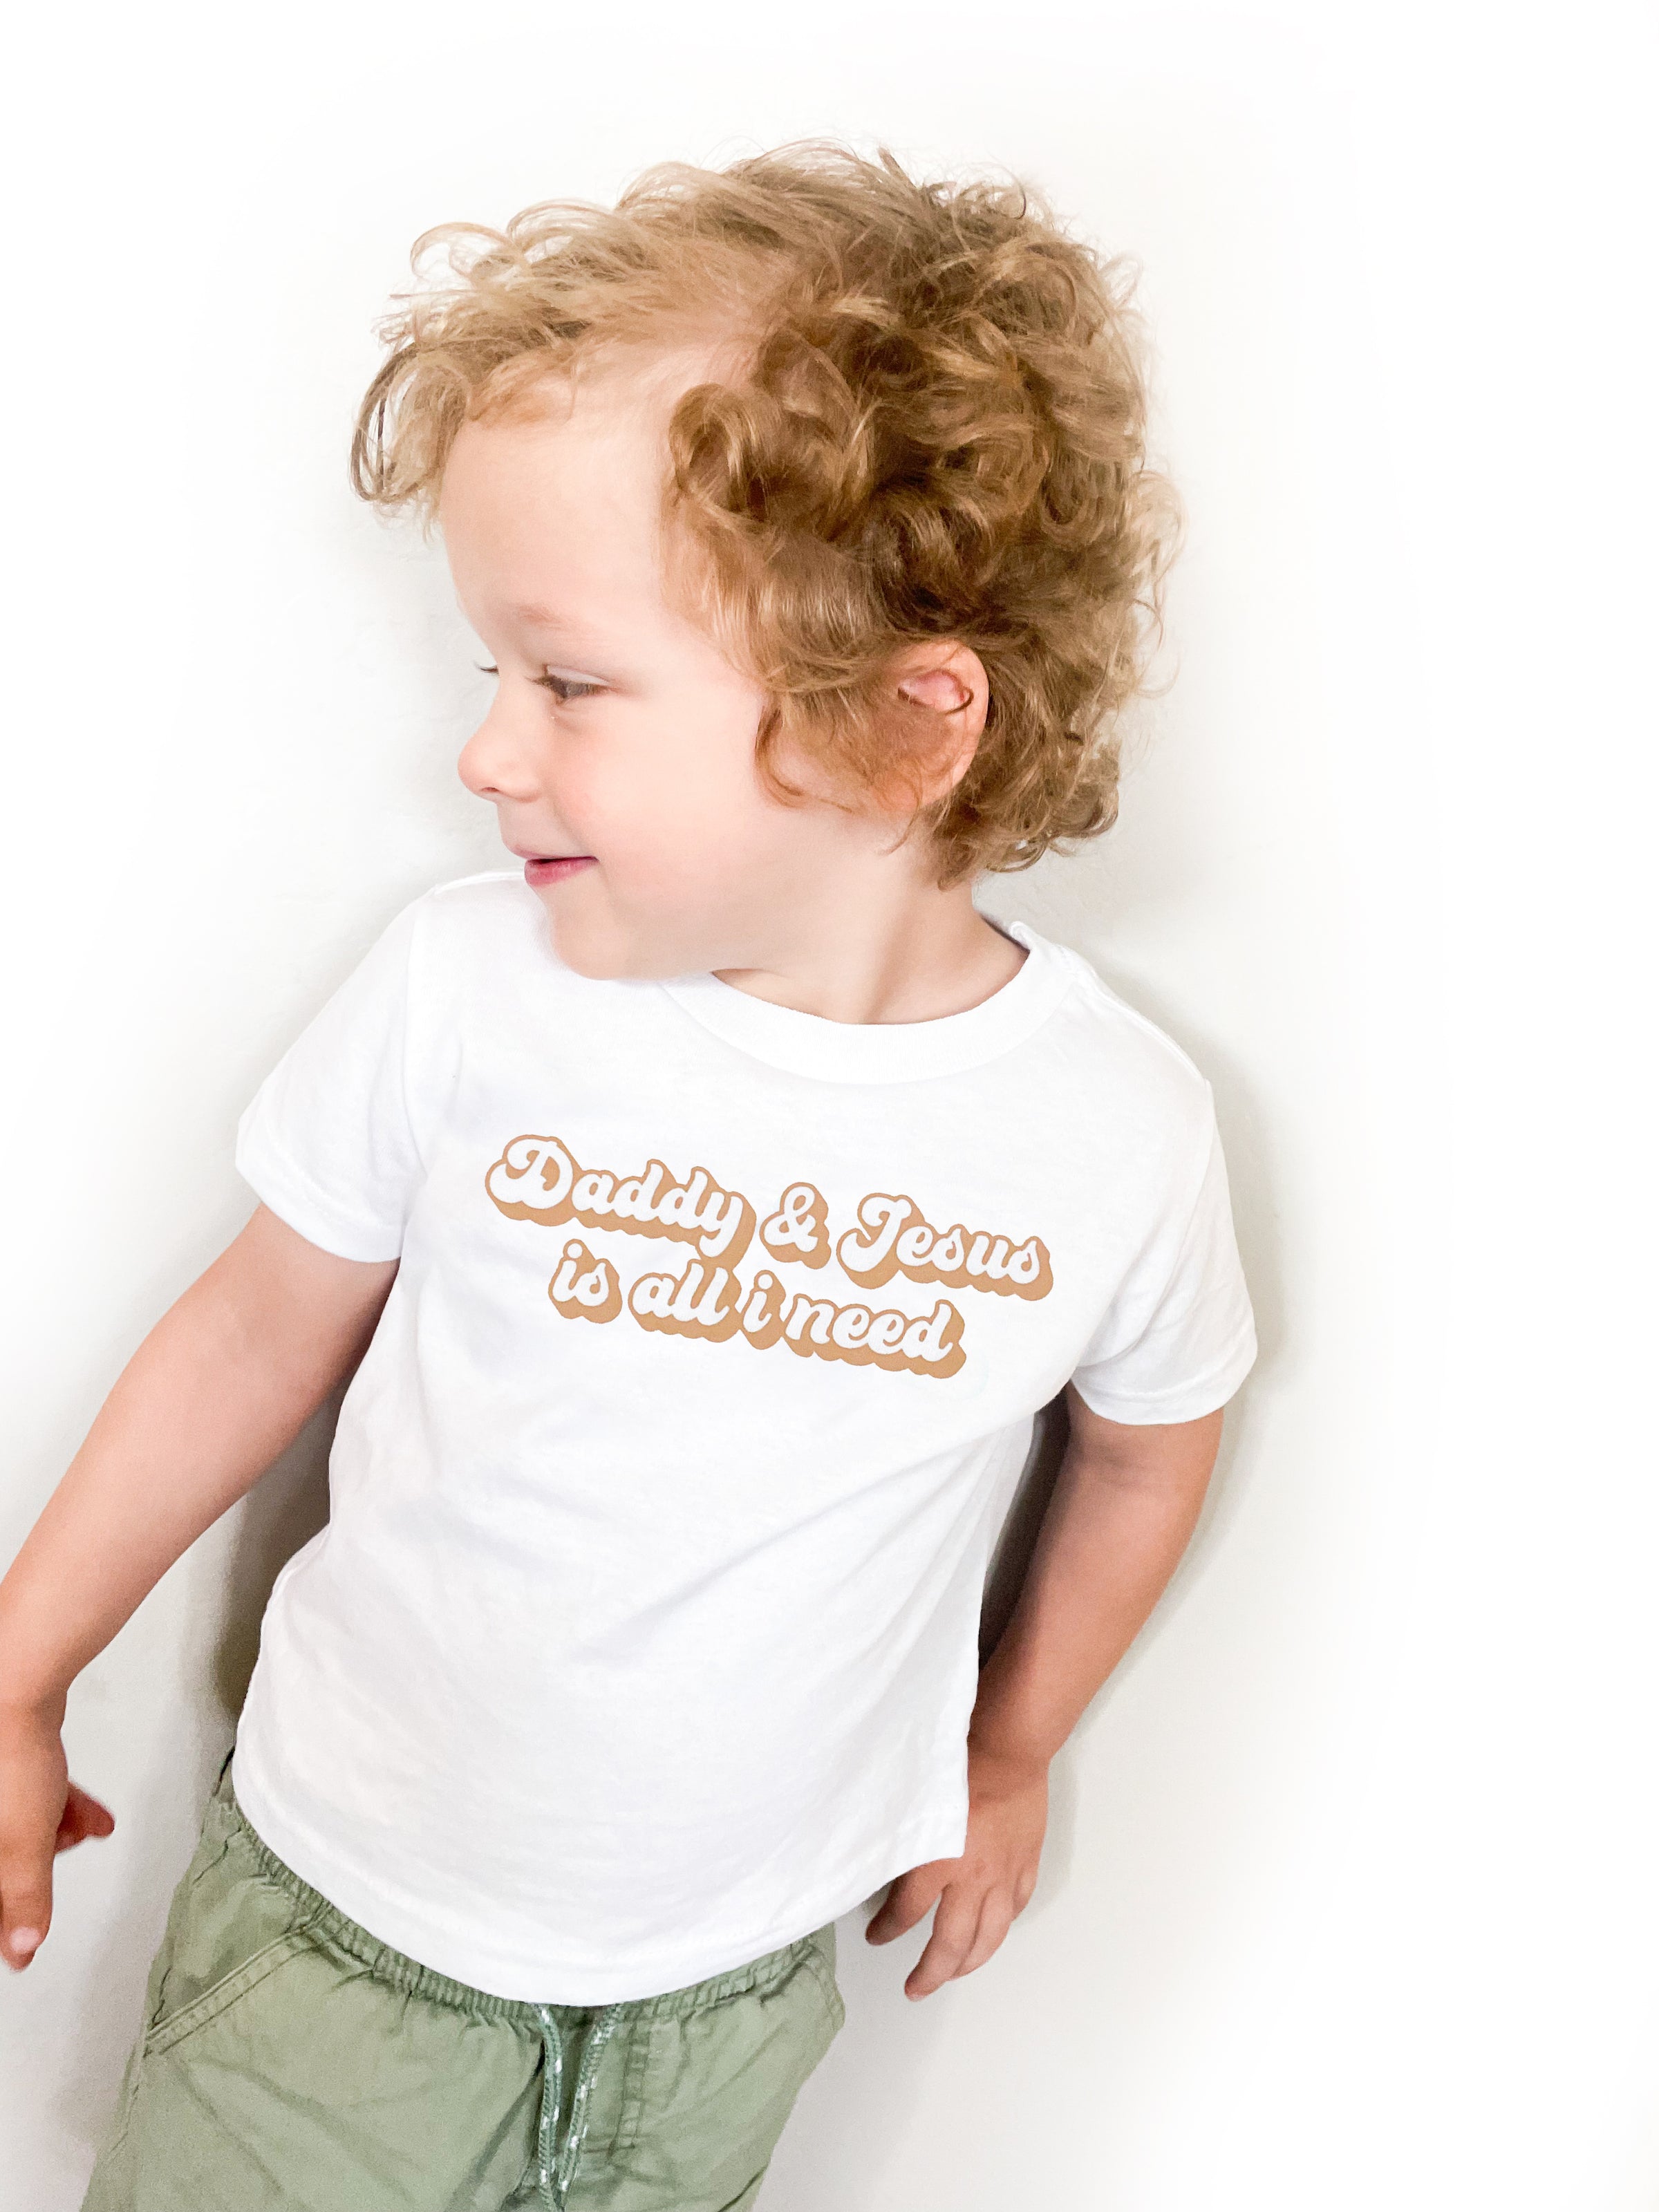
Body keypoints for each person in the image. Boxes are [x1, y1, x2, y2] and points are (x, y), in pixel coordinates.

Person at [0, 142, 1257, 2211]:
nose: (489, 753)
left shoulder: (1111, 1130)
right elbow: (247, 1340)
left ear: (903, 726)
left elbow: (1143, 1447)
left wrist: (1012, 1747)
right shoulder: (467, 991)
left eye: (570, 683)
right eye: (493, 675)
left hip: (726, 1999)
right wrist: (21, 1666)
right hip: (342, 1944)